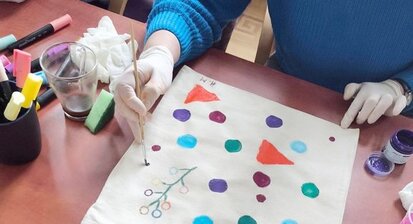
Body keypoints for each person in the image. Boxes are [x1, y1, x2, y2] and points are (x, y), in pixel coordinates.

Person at [111, 0, 413, 137]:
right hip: (287, 90)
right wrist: (161, 52)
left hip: (389, 119)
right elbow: (200, 4)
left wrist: (402, 86)